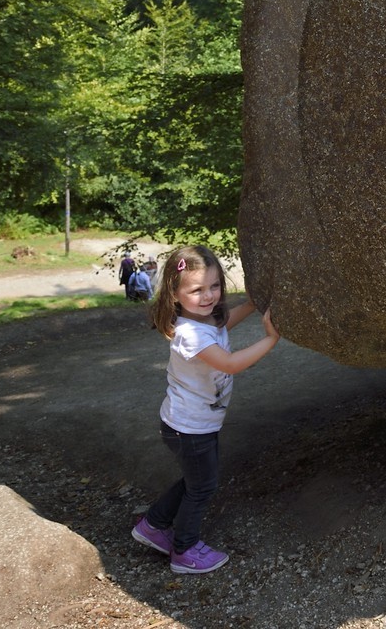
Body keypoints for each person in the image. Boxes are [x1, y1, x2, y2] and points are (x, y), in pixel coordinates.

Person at [131, 244, 280, 574]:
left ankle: (152, 526)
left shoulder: (204, 318)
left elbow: (225, 321)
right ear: (175, 292)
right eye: (197, 289)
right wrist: (270, 340)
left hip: (192, 424)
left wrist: (253, 304)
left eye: (214, 286)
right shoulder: (190, 335)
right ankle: (184, 550)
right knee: (203, 486)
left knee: (194, 480)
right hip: (190, 428)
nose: (208, 295)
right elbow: (229, 364)